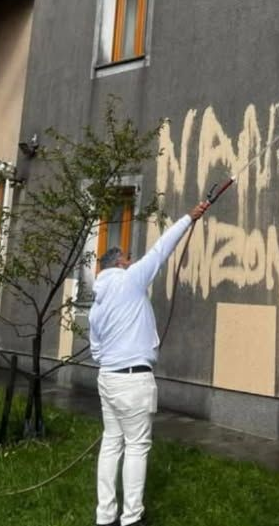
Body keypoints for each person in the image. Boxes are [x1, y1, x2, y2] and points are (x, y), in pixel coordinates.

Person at [89, 199, 211, 526]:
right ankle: (131, 518)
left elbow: (96, 350)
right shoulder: (129, 279)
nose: (132, 262)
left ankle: (105, 516)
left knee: (111, 443)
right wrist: (190, 216)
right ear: (121, 263)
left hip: (108, 378)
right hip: (133, 380)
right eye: (128, 259)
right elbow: (161, 250)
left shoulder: (97, 303)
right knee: (137, 447)